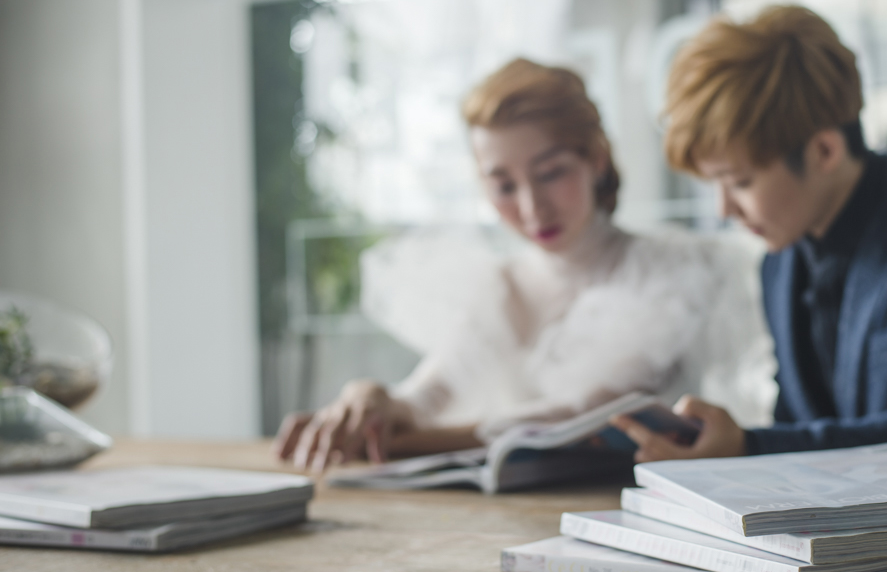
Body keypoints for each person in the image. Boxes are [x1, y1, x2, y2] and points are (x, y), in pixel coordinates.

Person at [274, 58, 773, 471]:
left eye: (550, 173)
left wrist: (391, 442)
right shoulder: (497, 285)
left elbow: (578, 419)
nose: (533, 208)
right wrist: (370, 397)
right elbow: (426, 397)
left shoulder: (669, 272)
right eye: (503, 186)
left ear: (597, 159)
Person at [612, 5, 887, 461]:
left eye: (740, 182)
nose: (724, 209)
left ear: (825, 150)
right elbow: (796, 425)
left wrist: (750, 447)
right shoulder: (780, 262)